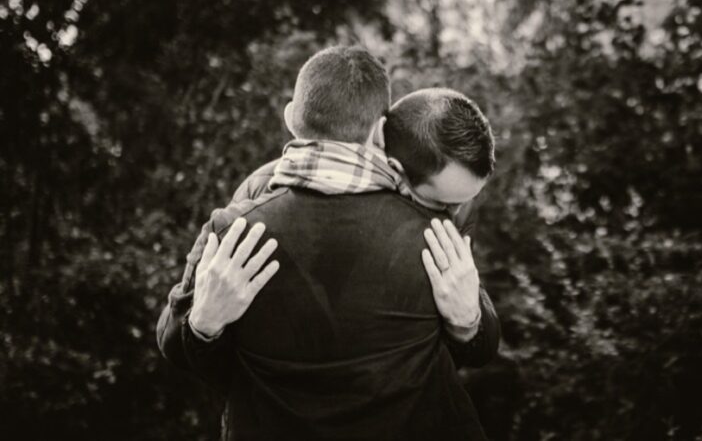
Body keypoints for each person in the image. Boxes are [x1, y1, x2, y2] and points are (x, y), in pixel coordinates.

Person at [155, 45, 499, 439]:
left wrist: (204, 323)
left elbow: (182, 351)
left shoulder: (234, 227)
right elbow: (478, 349)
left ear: (290, 119)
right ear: (378, 131)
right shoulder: (433, 237)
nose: (452, 209)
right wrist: (469, 321)